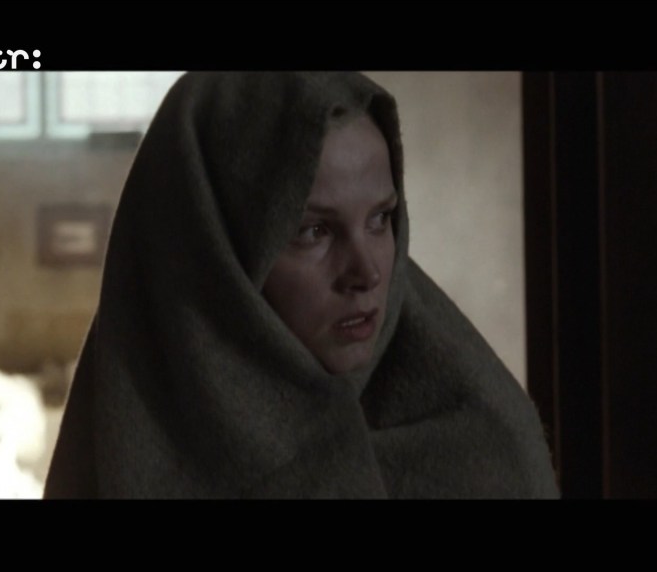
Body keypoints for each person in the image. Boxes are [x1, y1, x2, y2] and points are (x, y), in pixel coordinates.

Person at [44, 72, 559, 498]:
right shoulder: (122, 447)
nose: (367, 273)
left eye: (381, 219)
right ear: (215, 257)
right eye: (313, 231)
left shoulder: (478, 445)